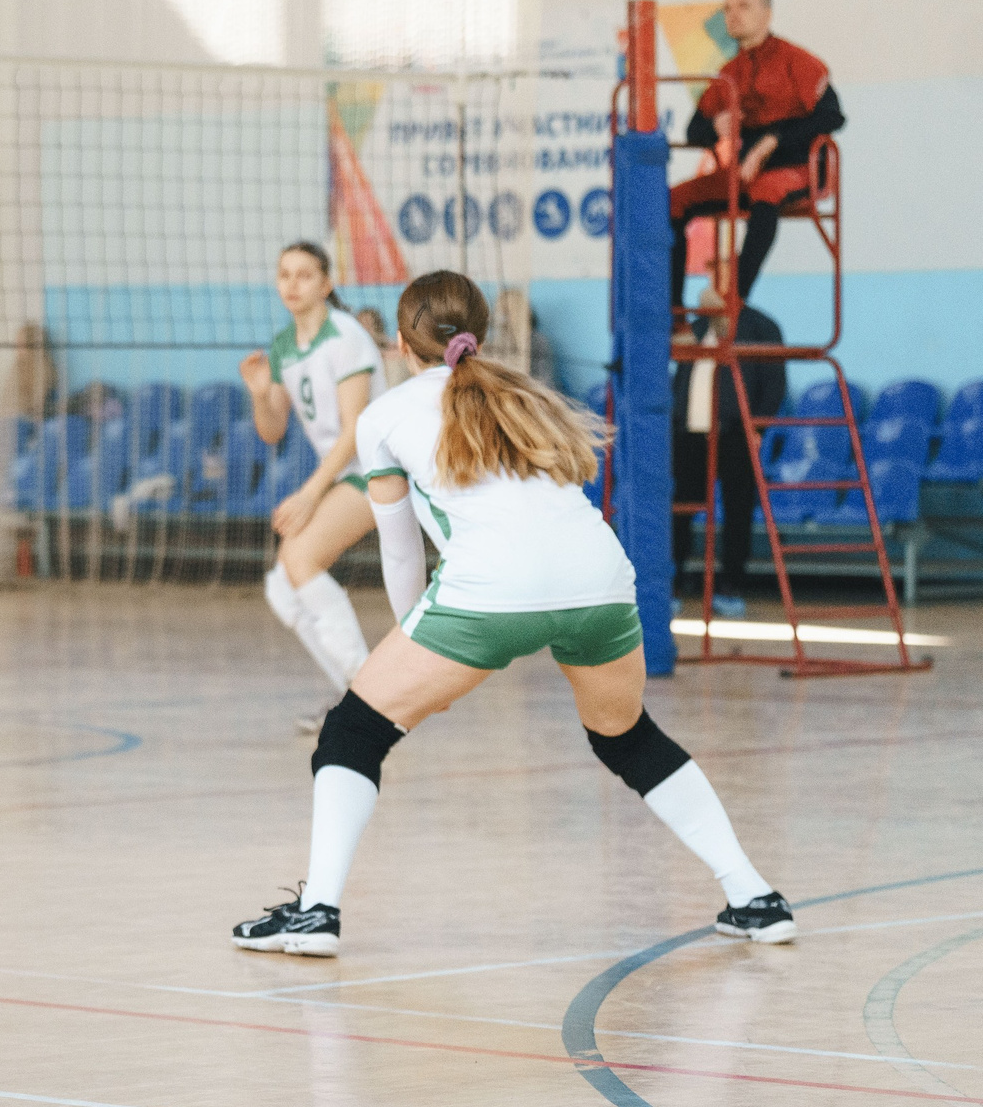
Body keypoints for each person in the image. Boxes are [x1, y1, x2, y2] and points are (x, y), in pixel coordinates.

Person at [231, 270, 795, 958]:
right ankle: (754, 896)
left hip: (492, 591)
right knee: (627, 736)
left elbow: (403, 553)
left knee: (352, 732)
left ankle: (317, 913)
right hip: (601, 580)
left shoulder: (387, 414)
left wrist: (412, 646)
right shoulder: (527, 395)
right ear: (478, 333)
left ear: (401, 345)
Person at [239, 243, 387, 732]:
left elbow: (354, 430)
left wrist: (309, 495)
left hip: (381, 467)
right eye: (284, 275)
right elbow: (272, 430)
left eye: (304, 275)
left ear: (326, 284)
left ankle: (371, 699)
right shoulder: (284, 346)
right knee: (284, 585)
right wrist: (262, 396)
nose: (292, 284)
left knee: (299, 562)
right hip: (347, 472)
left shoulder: (345, 337)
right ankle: (354, 698)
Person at [667, 0, 846, 306]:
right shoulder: (727, 73)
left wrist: (770, 142)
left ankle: (734, 299)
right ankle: (674, 313)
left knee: (767, 189)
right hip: (746, 173)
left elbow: (832, 117)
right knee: (673, 202)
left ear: (767, 14)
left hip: (800, 167)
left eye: (744, 6)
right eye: (728, 8)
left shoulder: (797, 61)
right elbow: (694, 130)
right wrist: (714, 126)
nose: (733, 15)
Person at [672, 286, 786, 618]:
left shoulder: (762, 327)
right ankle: (673, 583)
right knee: (679, 509)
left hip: (736, 434)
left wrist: (759, 427)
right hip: (691, 434)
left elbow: (774, 381)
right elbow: (681, 376)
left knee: (737, 512)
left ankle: (730, 586)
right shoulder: (694, 328)